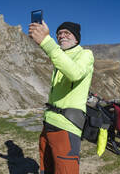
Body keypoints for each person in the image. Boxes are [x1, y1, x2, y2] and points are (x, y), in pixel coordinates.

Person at [28, 21, 94, 174]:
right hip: (49, 123)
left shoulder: (85, 54)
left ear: (76, 38)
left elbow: (75, 73)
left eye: (67, 33)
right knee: (46, 168)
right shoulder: (60, 57)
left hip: (67, 126)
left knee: (65, 170)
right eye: (59, 34)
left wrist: (46, 42)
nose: (61, 36)